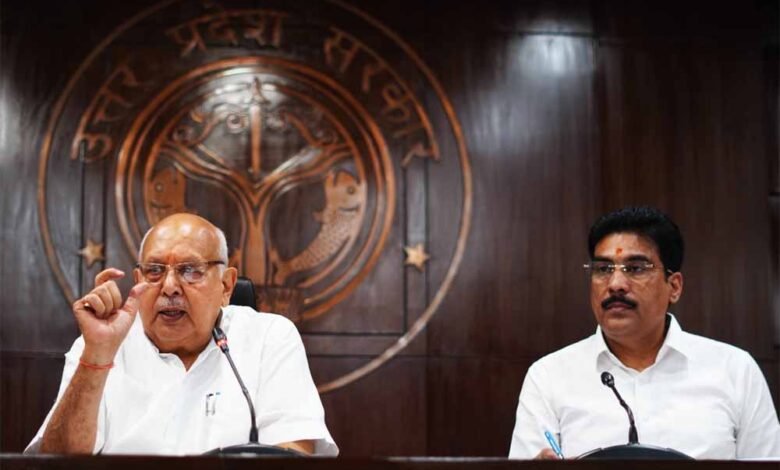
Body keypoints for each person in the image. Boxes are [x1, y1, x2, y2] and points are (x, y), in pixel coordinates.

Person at [26, 213, 337, 455]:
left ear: (226, 286)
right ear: (138, 280)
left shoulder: (268, 337)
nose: (170, 286)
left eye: (190, 270)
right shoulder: (99, 345)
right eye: (155, 271)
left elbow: (293, 451)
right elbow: (57, 459)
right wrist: (96, 356)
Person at [509, 206, 780, 460]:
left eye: (636, 268)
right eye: (603, 269)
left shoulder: (735, 370)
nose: (615, 284)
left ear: (674, 286)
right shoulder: (549, 377)